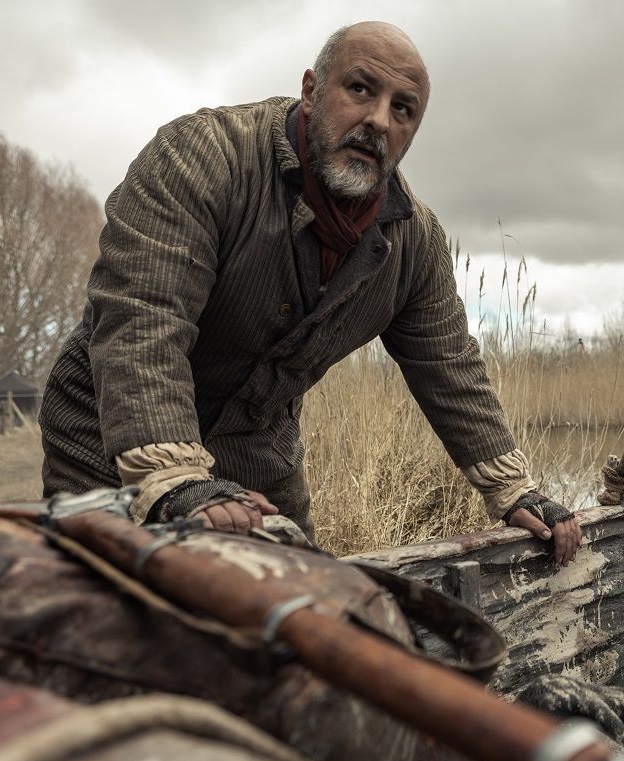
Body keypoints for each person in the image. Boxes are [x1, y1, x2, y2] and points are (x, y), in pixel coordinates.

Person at [38, 21, 582, 564]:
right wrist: (173, 477)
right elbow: (144, 318)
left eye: (402, 110)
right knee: (108, 609)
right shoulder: (204, 155)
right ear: (311, 90)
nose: (377, 121)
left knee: (299, 605)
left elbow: (450, 366)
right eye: (361, 89)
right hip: (108, 436)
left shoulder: (414, 241)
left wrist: (513, 489)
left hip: (258, 455)